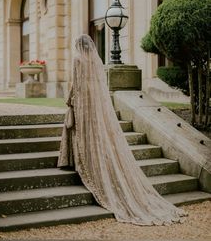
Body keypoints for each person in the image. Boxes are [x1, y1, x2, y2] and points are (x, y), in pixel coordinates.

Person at [58, 34, 187, 225]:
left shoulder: (78, 59)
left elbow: (76, 84)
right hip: (95, 102)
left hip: (84, 101)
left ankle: (81, 162)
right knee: (93, 133)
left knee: (81, 131)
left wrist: (70, 101)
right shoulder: (95, 61)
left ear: (79, 46)